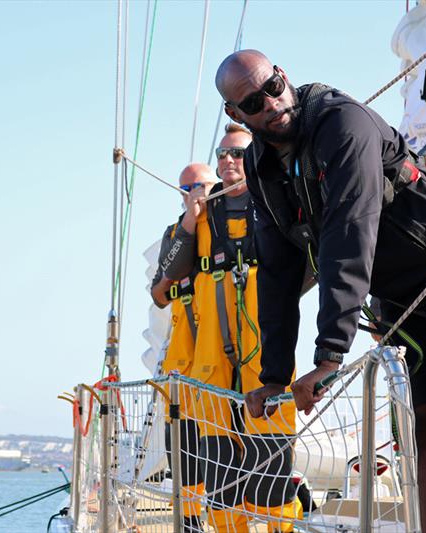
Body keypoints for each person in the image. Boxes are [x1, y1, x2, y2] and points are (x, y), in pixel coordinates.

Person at [215, 50, 426, 533]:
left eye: (271, 87)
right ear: (236, 115)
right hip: (399, 287)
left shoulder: (342, 123)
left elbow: (350, 234)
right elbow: (277, 273)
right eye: (252, 102)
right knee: (424, 430)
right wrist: (273, 374)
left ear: (283, 76)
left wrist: (329, 356)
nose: (270, 103)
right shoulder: (261, 166)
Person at [169, 124, 300, 532]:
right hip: (212, 352)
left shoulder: (279, 204)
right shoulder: (200, 216)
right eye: (222, 154)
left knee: (270, 458)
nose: (228, 160)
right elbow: (169, 275)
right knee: (219, 463)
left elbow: (312, 262)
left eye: (238, 154)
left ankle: (281, 527)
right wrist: (190, 223)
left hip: (265, 346)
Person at [150, 163, 217, 532]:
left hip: (225, 343)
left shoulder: (225, 225)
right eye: (187, 187)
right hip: (184, 347)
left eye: (201, 185)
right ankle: (190, 520)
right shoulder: (175, 231)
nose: (194, 192)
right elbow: (161, 288)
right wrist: (190, 224)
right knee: (183, 439)